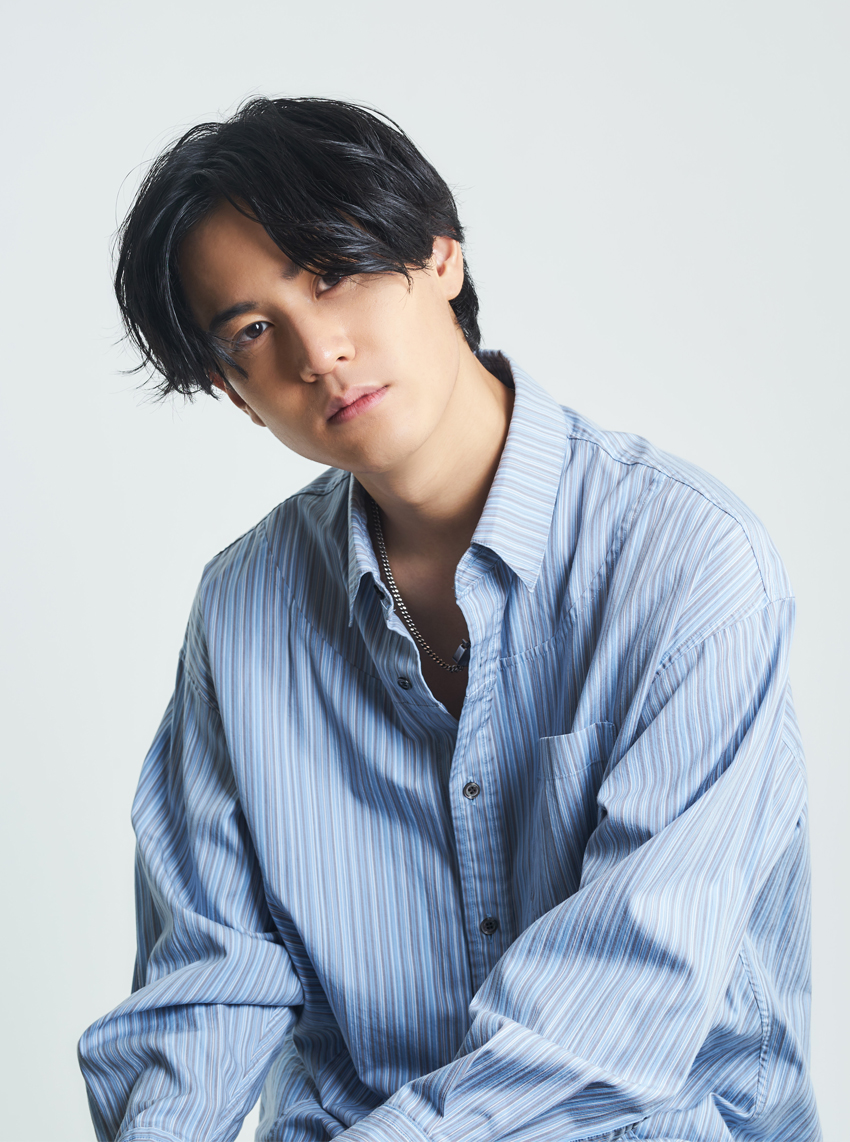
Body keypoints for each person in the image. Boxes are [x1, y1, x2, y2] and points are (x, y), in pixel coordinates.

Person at [78, 97, 819, 1142]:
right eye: (253, 330)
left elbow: (616, 1017)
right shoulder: (241, 611)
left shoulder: (688, 563)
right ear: (233, 391)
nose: (317, 351)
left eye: (333, 272)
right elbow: (205, 986)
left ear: (439, 254)